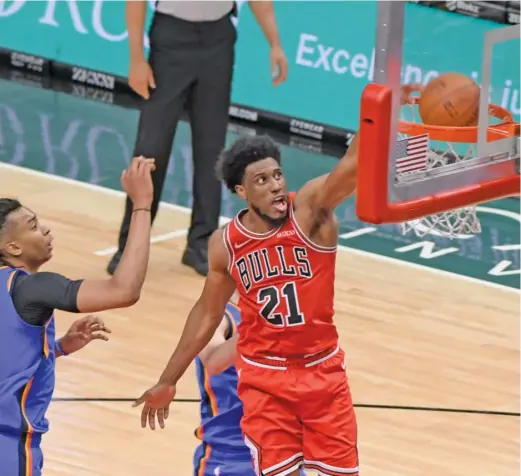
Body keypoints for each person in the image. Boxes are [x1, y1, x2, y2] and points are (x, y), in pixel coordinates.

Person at [134, 85, 422, 475]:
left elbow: (351, 168)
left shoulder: (311, 211)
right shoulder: (226, 244)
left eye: (277, 175)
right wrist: (167, 380)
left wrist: (381, 112)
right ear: (241, 191)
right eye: (261, 180)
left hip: (321, 370)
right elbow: (206, 314)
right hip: (264, 379)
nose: (274, 186)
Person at [107, 0, 288, 277]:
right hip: (171, 38)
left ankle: (201, 243)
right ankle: (130, 245)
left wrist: (275, 42)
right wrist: (136, 59)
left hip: (219, 38)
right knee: (151, 147)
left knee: (212, 149)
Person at [0, 156, 155, 476]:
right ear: (12, 247)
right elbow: (124, 289)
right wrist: (142, 206)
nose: (45, 229)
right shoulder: (33, 289)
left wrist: (56, 348)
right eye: (32, 226)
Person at [193, 298, 306, 476]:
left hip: (282, 454)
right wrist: (261, 327)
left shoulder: (287, 315)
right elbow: (212, 360)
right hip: (232, 455)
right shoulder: (216, 314)